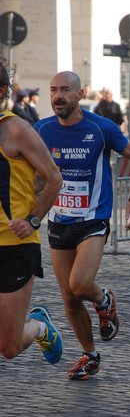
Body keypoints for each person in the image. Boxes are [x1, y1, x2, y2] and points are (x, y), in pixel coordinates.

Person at [34, 71, 130, 380]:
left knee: (80, 285)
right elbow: (35, 177)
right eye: (53, 89)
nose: (58, 95)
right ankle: (90, 355)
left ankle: (104, 299)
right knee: (68, 298)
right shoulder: (40, 129)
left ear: (80, 93)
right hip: (58, 221)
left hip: (93, 220)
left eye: (65, 90)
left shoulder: (100, 127)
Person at [0, 61, 63, 364]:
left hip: (15, 247)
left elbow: (53, 178)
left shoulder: (17, 130)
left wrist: (33, 219)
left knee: (9, 347)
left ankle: (39, 327)